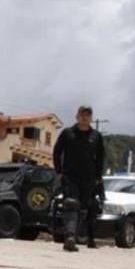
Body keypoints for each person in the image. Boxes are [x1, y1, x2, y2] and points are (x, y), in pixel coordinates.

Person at [53, 105, 105, 252]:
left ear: (91, 118)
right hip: (71, 177)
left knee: (89, 207)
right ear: (77, 116)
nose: (85, 117)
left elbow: (100, 157)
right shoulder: (67, 133)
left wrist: (98, 177)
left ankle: (91, 239)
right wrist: (59, 171)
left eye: (88, 115)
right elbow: (57, 151)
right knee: (71, 204)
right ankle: (70, 237)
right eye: (82, 114)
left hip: (89, 179)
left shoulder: (96, 136)